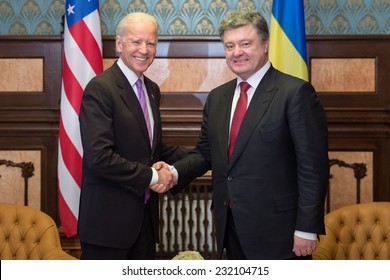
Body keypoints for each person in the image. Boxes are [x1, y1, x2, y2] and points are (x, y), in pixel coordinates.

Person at [156, 9, 329, 260]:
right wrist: (173, 173)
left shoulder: (295, 93)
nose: (237, 53)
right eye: (230, 46)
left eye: (246, 44)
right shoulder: (218, 97)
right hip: (230, 226)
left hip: (281, 232)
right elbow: (205, 153)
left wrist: (306, 228)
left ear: (266, 44)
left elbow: (313, 167)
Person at [78, 12, 187, 260]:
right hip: (107, 228)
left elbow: (151, 150)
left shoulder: (151, 89)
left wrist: (205, 152)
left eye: (150, 43)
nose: (144, 50)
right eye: (136, 42)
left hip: (144, 223)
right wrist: (152, 175)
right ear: (119, 43)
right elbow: (99, 157)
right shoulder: (100, 88)